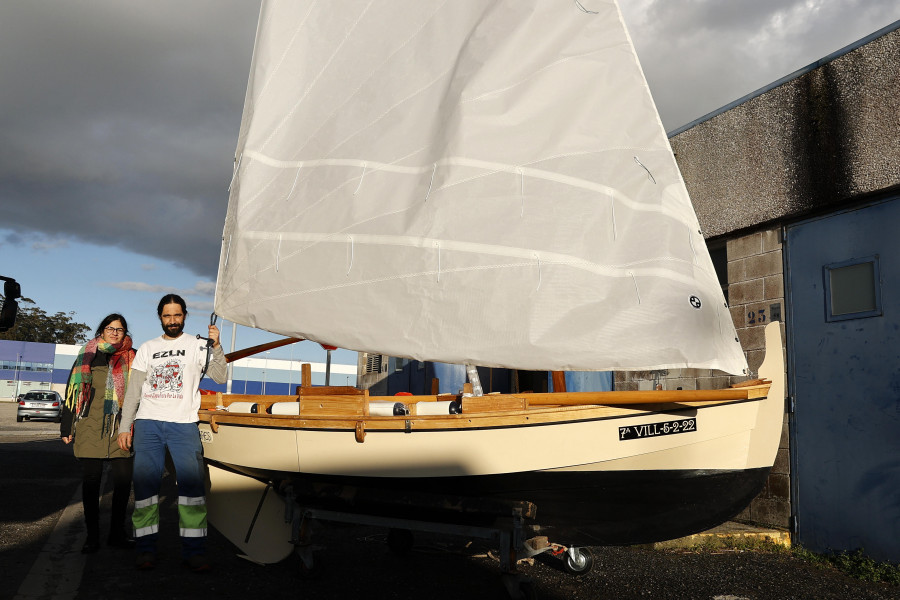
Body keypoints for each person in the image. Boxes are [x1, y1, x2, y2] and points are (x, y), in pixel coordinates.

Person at [117, 294, 226, 572]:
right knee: (145, 490)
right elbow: (133, 392)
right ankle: (145, 550)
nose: (173, 321)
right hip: (148, 424)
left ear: (185, 316)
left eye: (177, 315)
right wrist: (124, 426)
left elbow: (220, 376)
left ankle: (194, 552)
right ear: (160, 318)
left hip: (183, 424)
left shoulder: (198, 345)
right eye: (167, 316)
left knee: (192, 489)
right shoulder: (147, 348)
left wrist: (217, 344)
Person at [61, 313, 136, 554]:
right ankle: (92, 536)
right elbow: (73, 390)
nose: (115, 332)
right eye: (110, 328)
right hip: (90, 425)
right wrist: (66, 425)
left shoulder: (132, 357)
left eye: (120, 329)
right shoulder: (88, 354)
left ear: (126, 333)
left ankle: (116, 533)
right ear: (102, 330)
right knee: (91, 483)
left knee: (123, 483)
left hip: (121, 427)